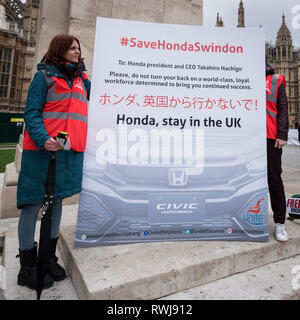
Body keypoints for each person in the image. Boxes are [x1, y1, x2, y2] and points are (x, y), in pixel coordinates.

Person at [16, 34, 91, 290]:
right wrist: (42, 138)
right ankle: (27, 265)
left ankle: (47, 257)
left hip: (67, 151)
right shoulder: (44, 77)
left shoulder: (82, 79)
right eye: (72, 48)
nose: (76, 52)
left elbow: (101, 100)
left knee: (56, 200)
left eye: (78, 48)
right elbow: (32, 112)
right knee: (32, 205)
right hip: (41, 151)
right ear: (60, 50)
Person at [266, 63, 289, 242]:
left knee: (274, 179)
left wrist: (282, 134)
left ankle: (280, 223)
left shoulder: (276, 79)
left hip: (270, 136)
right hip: (247, 137)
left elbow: (283, 108)